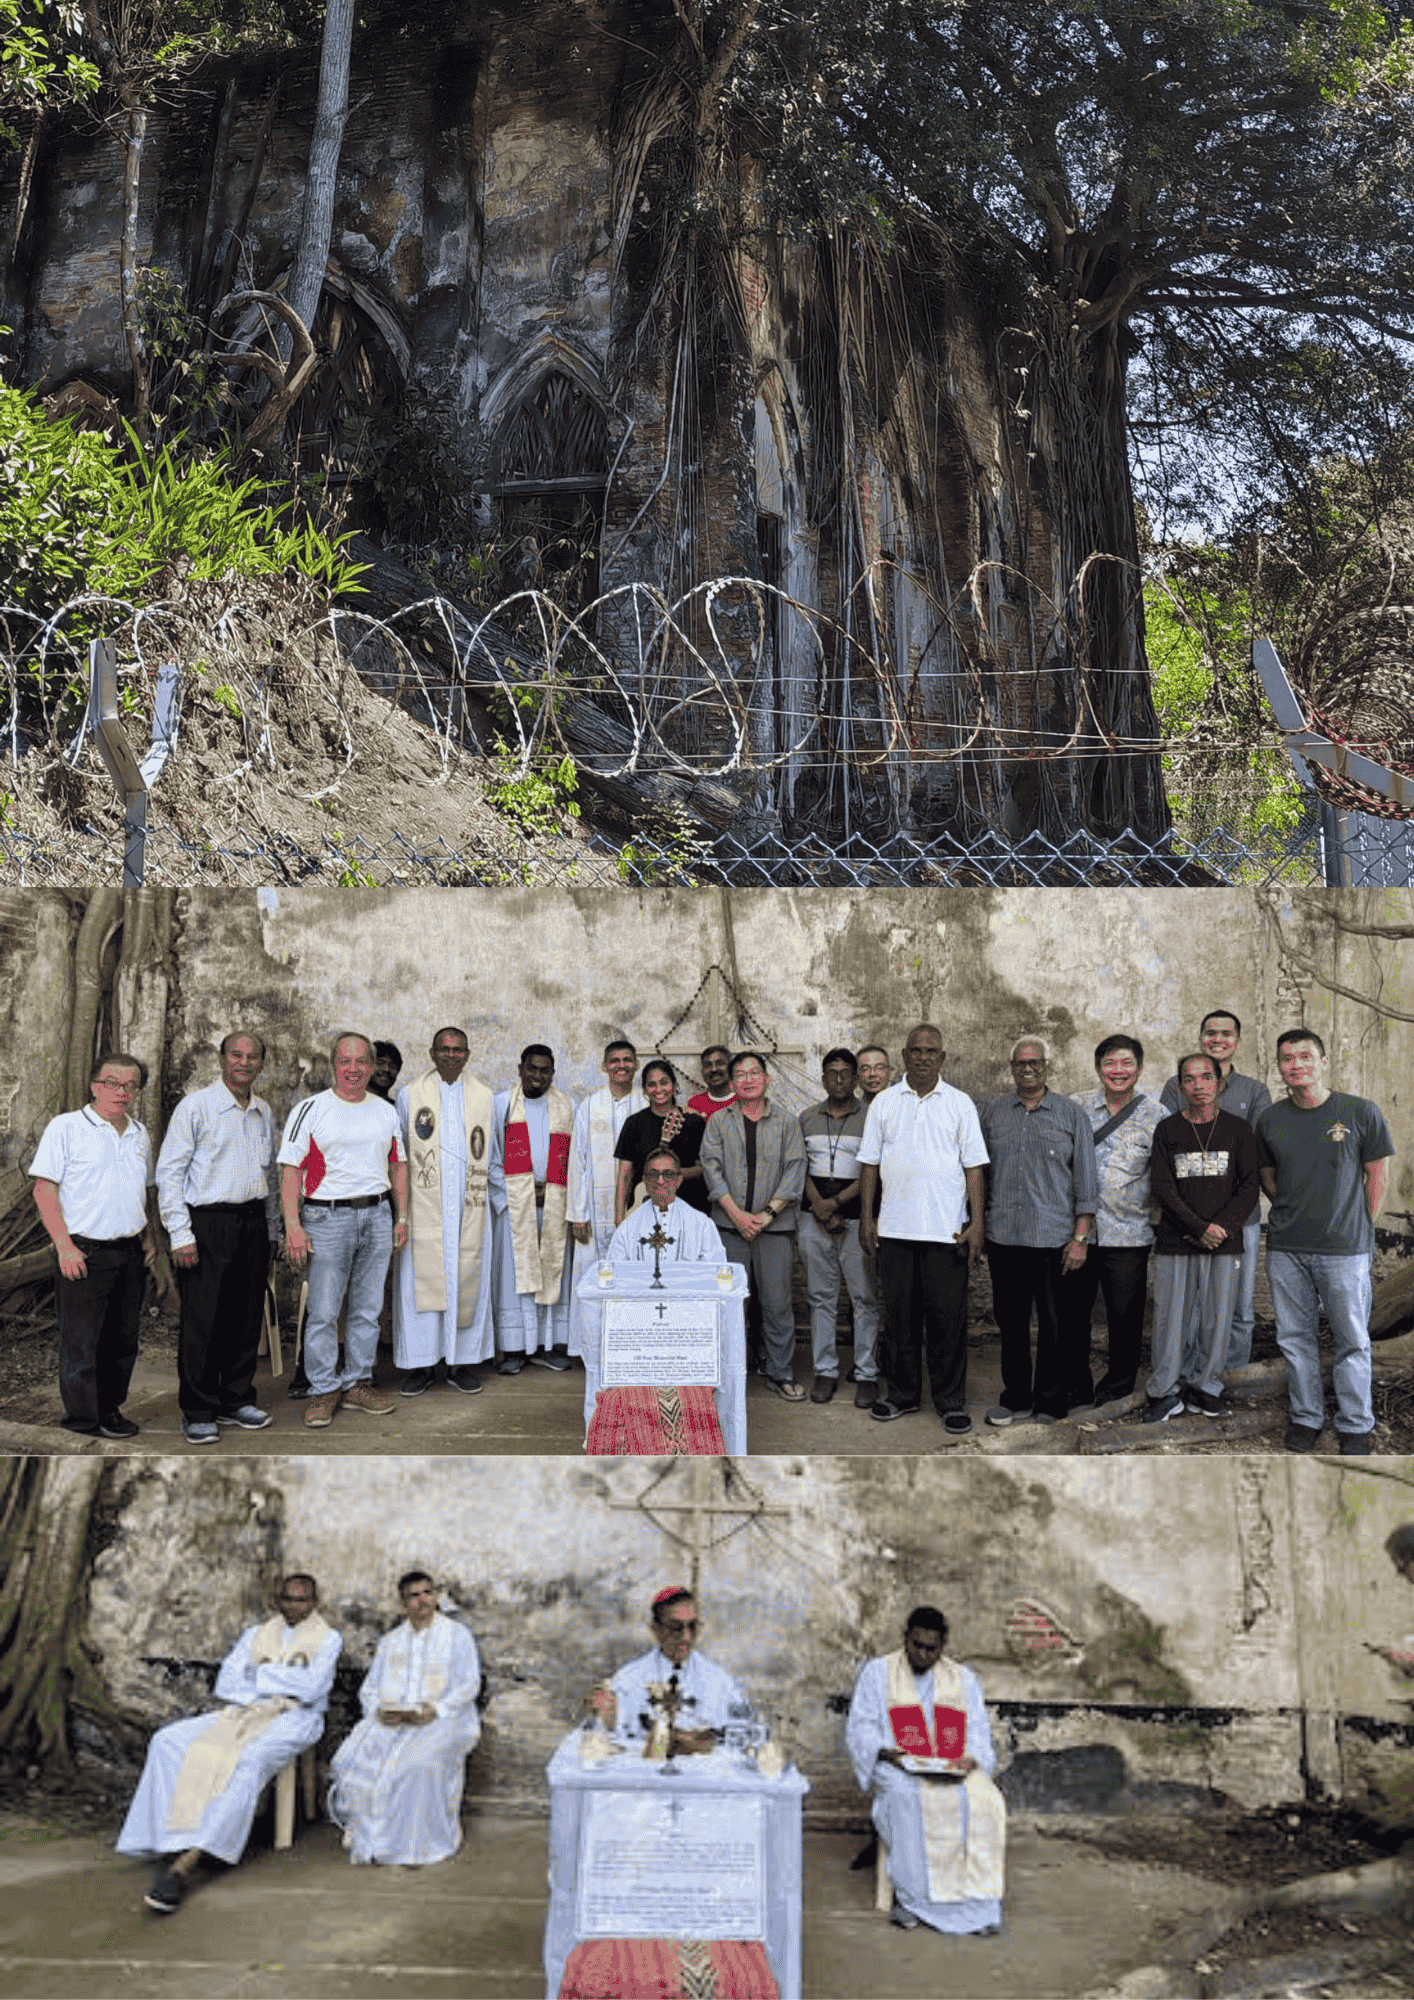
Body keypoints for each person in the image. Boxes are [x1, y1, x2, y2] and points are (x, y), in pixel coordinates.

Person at [116, 1574, 341, 1913]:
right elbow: (226, 1684)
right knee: (167, 1741)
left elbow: (312, 1690)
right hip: (244, 1712)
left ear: (314, 1602)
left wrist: (259, 1675)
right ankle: (168, 1837)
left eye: (303, 1600)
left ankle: (186, 1864)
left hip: (297, 1719)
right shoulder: (256, 1635)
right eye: (288, 1599)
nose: (296, 1607)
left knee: (247, 1761)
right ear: (277, 1600)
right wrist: (282, 1682)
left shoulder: (329, 1639)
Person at [1256, 1029, 1394, 1454]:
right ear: (1279, 1067)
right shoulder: (1271, 1119)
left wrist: (1359, 1226)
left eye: (1304, 1056)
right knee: (1295, 1337)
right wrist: (1295, 1210)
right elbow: (1268, 1177)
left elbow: (1377, 1175)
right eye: (1287, 1059)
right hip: (1286, 1248)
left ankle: (1355, 1423)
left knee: (1352, 1338)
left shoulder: (1359, 1112)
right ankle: (1306, 1417)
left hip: (1344, 1250)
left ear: (1323, 1061)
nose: (1296, 1064)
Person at [857, 1026, 987, 1433]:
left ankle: (950, 1402)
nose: (924, 1057)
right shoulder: (883, 1103)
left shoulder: (960, 1104)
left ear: (942, 1057)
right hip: (894, 1231)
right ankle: (901, 1396)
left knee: (947, 1323)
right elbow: (869, 1164)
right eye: (916, 1050)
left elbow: (974, 1167)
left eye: (932, 1051)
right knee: (899, 1322)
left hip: (946, 1233)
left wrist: (977, 1223)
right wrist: (866, 1217)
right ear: (905, 1054)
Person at [845, 1605, 1005, 1935]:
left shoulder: (963, 1679)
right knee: (907, 1796)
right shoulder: (878, 1673)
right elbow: (861, 1727)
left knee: (985, 1799)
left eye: (931, 1648)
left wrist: (970, 1760)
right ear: (905, 1639)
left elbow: (977, 1732)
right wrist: (888, 1753)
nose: (922, 1653)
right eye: (915, 1645)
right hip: (898, 1764)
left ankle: (978, 1902)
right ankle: (912, 1898)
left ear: (943, 1645)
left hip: (951, 1764)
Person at [278, 1033, 409, 1430]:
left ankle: (356, 1382)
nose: (353, 1069)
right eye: (345, 1061)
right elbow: (290, 1169)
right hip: (327, 1218)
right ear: (333, 1064)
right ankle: (322, 1389)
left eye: (361, 1062)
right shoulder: (311, 1109)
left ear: (371, 1066)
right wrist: (293, 1225)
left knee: (368, 1309)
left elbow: (397, 1165)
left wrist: (401, 1217)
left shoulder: (385, 1112)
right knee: (323, 1310)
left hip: (376, 1216)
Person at [156, 1030, 279, 1445]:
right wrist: (180, 1235)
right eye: (236, 1055)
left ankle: (236, 1398)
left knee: (245, 1317)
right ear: (222, 1058)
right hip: (207, 1222)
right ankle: (198, 1408)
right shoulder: (197, 1107)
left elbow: (271, 1176)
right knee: (203, 1320)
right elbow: (169, 1173)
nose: (243, 1063)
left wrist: (273, 1228)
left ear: (262, 1063)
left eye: (252, 1056)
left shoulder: (263, 1110)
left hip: (252, 1220)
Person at [30, 1052, 160, 1439]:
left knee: (122, 1341)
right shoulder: (66, 1127)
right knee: (81, 1342)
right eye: (113, 1084)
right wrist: (64, 1246)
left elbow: (145, 1191)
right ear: (94, 1086)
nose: (122, 1092)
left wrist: (150, 1234)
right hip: (84, 1250)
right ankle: (82, 1422)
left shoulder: (139, 1133)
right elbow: (43, 1188)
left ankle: (110, 1409)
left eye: (131, 1085)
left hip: (130, 1250)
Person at [980, 1037, 1099, 1425]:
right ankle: (1015, 1398)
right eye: (1020, 1063)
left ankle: (1050, 1401)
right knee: (1011, 1324)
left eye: (1035, 1063)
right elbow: (979, 1174)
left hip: (1054, 1240)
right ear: (1012, 1067)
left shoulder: (1071, 1114)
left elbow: (1086, 1183)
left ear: (1047, 1067)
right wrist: (977, 1226)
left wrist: (1080, 1238)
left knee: (1054, 1325)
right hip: (1004, 1239)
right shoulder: (995, 1113)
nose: (1028, 1069)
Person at [327, 1571, 483, 1866]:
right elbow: (370, 1690)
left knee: (418, 1766)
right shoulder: (391, 1641)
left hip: (443, 1719)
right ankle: (369, 1836)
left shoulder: (456, 1635)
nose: (423, 1600)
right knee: (349, 1759)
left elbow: (469, 1684)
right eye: (414, 1595)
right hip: (394, 1720)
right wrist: (380, 1712)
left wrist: (434, 1710)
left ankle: (416, 1846)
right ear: (403, 1602)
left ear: (435, 1597)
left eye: (428, 1592)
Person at [1145, 1052, 1260, 1425]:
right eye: (1190, 1079)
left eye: (1206, 1078)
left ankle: (1206, 1388)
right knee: (1170, 1319)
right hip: (1177, 1240)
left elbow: (1249, 1186)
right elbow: (1162, 1186)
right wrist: (1198, 1228)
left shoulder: (1239, 1130)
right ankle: (1164, 1391)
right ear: (1180, 1087)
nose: (1198, 1086)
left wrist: (1221, 1227)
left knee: (1217, 1318)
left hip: (1224, 1242)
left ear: (1219, 1083)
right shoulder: (1167, 1130)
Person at [1159, 1011, 1272, 1368]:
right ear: (1201, 1037)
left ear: (1237, 1042)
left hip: (1240, 1221)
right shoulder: (1175, 1086)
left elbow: (1251, 1160)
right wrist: (1194, 1223)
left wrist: (1225, 1222)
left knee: (1237, 1303)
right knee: (1190, 1304)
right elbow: (1168, 1148)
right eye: (1211, 1032)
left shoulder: (1254, 1091)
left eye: (1227, 1033)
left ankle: (1230, 1373)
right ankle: (1192, 1371)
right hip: (1186, 1221)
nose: (1218, 1038)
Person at [700, 1051, 808, 1400]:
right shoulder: (718, 1122)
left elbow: (795, 1170)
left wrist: (767, 1215)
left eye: (754, 1072)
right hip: (730, 1228)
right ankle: (729, 1374)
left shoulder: (787, 1122)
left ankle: (780, 1371)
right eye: (740, 1074)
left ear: (766, 1079)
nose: (747, 1079)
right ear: (732, 1085)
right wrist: (738, 1215)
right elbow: (711, 1170)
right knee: (731, 1305)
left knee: (777, 1303)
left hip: (773, 1228)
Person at [395, 1027, 496, 1397]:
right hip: (425, 1211)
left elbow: (495, 1154)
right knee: (419, 1284)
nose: (452, 1055)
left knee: (466, 1280)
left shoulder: (485, 1097)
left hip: (470, 1210)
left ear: (468, 1054)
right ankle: (421, 1364)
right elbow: (401, 1154)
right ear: (432, 1053)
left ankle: (461, 1362)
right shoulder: (410, 1095)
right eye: (445, 1049)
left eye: (458, 1049)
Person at [1066, 1034, 1165, 1406]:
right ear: (1098, 1068)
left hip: (1129, 1234)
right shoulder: (1075, 1107)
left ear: (1138, 1069)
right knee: (1074, 1315)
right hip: (1079, 1233)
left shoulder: (1156, 1115)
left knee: (1125, 1318)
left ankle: (1117, 1387)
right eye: (1110, 1063)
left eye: (1126, 1063)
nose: (1117, 1071)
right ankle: (1076, 1386)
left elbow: (1162, 1176)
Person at [799, 1050, 880, 1405]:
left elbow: (871, 1170)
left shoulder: (872, 1118)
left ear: (856, 1078)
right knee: (820, 1298)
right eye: (832, 1074)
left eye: (847, 1073)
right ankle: (825, 1371)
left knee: (864, 1297)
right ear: (823, 1079)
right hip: (813, 1217)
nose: (840, 1080)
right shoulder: (806, 1118)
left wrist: (836, 1205)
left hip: (856, 1217)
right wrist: (819, 1206)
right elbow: (798, 1166)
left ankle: (866, 1373)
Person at [489, 1044, 576, 1374]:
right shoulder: (503, 1106)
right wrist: (521, 1192)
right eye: (532, 1068)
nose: (538, 1075)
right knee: (515, 1278)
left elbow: (574, 1160)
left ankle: (548, 1345)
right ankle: (514, 1348)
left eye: (545, 1070)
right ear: (520, 1068)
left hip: (554, 1203)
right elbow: (490, 1159)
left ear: (552, 1073)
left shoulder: (567, 1106)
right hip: (516, 1207)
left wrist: (552, 1191)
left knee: (551, 1273)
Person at [589, 1587, 752, 1755]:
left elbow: (734, 1737)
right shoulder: (628, 1679)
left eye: (693, 1627)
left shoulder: (720, 1680)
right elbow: (612, 1739)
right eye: (676, 1627)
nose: (686, 1637)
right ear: (655, 1629)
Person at [566, 1040, 645, 1369]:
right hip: (594, 1212)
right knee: (592, 1278)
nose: (621, 1066)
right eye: (615, 1061)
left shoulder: (646, 1103)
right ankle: (590, 1351)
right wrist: (577, 1213)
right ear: (604, 1066)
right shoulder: (589, 1106)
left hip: (637, 1207)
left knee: (633, 1277)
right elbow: (577, 1161)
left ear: (636, 1064)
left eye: (628, 1060)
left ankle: (631, 1348)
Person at [614, 1060, 709, 1219]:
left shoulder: (694, 1123)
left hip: (689, 1209)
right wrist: (618, 1218)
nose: (659, 1089)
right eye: (652, 1084)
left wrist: (673, 1174)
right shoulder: (634, 1123)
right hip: (643, 1210)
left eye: (664, 1083)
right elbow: (624, 1175)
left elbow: (704, 1169)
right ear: (644, 1090)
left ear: (674, 1085)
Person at [605, 1147, 727, 1263]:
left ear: (678, 1180)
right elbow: (616, 1271)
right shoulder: (627, 1228)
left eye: (668, 1174)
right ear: (645, 1181)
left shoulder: (702, 1225)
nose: (660, 1181)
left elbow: (715, 1271)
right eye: (653, 1174)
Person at [686, 1046, 737, 1121]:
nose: (714, 1069)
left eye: (719, 1063)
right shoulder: (694, 1103)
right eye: (708, 1065)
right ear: (702, 1072)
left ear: (731, 1067)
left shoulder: (742, 1100)